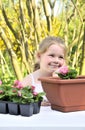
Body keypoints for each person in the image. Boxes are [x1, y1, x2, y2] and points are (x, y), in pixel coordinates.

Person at [21, 36, 67, 106]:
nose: (56, 60)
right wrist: (35, 103)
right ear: (39, 56)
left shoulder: (66, 80)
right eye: (52, 55)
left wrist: (58, 79)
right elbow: (14, 100)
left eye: (60, 57)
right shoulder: (30, 80)